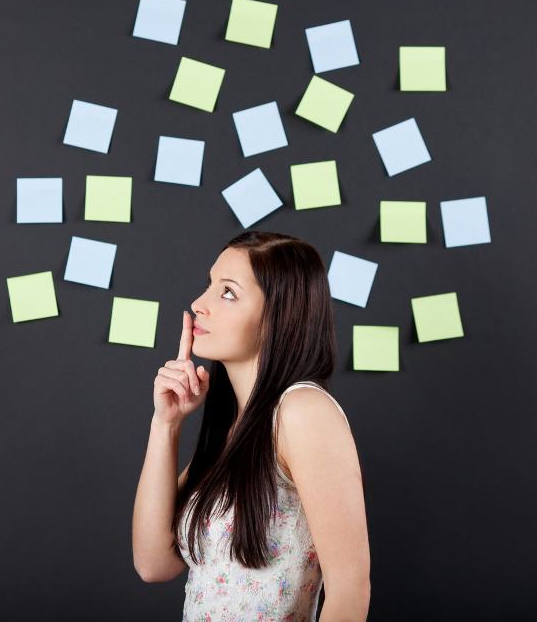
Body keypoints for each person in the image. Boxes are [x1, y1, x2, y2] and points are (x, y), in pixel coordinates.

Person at [132, 230, 371, 621]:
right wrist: (166, 425)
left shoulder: (302, 412)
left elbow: (350, 591)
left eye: (227, 292)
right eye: (210, 285)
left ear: (278, 315)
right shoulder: (235, 428)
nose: (198, 304)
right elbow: (153, 563)